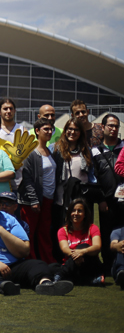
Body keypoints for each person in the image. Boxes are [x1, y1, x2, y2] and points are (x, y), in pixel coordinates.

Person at [0, 188, 73, 296]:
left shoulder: (10, 220)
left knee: (37, 264)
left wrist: (1, 231)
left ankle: (46, 285)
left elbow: (24, 250)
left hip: (10, 267)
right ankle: (1, 286)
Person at [18, 117, 57, 263]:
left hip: (48, 199)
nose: (48, 131)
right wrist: (34, 199)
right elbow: (27, 178)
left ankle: (47, 260)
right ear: (37, 131)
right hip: (32, 201)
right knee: (29, 233)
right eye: (45, 129)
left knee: (44, 233)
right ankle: (30, 261)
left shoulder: (49, 150)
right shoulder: (31, 152)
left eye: (50, 129)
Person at [91, 114, 123, 275]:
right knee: (106, 233)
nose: (113, 129)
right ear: (102, 127)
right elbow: (93, 177)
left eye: (116, 126)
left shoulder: (123, 148)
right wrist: (101, 199)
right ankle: (109, 266)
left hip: (123, 200)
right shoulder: (95, 151)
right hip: (106, 202)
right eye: (110, 125)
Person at [52, 118, 96, 212]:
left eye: (76, 130)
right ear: (65, 130)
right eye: (70, 129)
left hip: (82, 196)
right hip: (62, 197)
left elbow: (92, 174)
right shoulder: (55, 149)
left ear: (81, 132)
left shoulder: (86, 150)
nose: (72, 132)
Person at [56, 197, 103, 285]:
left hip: (89, 263)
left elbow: (97, 247)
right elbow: (65, 249)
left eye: (80, 211)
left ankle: (59, 276)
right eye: (73, 210)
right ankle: (89, 280)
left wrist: (82, 252)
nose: (76, 213)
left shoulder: (92, 228)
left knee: (83, 246)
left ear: (85, 214)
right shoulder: (63, 230)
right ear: (69, 213)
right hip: (72, 264)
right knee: (51, 267)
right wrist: (76, 255)